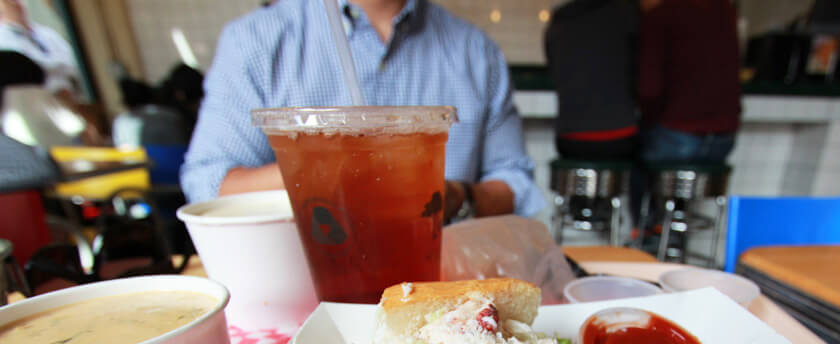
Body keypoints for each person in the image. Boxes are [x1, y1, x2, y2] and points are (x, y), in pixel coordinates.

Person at [181, 0, 545, 222]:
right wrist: (324, 167)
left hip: (441, 280)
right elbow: (209, 185)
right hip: (304, 279)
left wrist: (457, 196)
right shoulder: (257, 41)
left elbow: (515, 181)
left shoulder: (476, 52)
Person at [636, 0, 742, 164]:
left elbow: (648, 89)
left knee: (636, 172)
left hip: (678, 131)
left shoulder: (661, 15)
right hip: (724, 136)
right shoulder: (723, 8)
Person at [544, 0, 639, 160]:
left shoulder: (560, 18)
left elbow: (553, 66)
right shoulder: (628, 14)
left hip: (569, 138)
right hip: (620, 135)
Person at [0, 0, 84, 101]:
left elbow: (73, 61)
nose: (17, 4)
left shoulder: (46, 33)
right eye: (9, 2)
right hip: (44, 98)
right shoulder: (4, 39)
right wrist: (63, 68)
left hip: (75, 93)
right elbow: (32, 69)